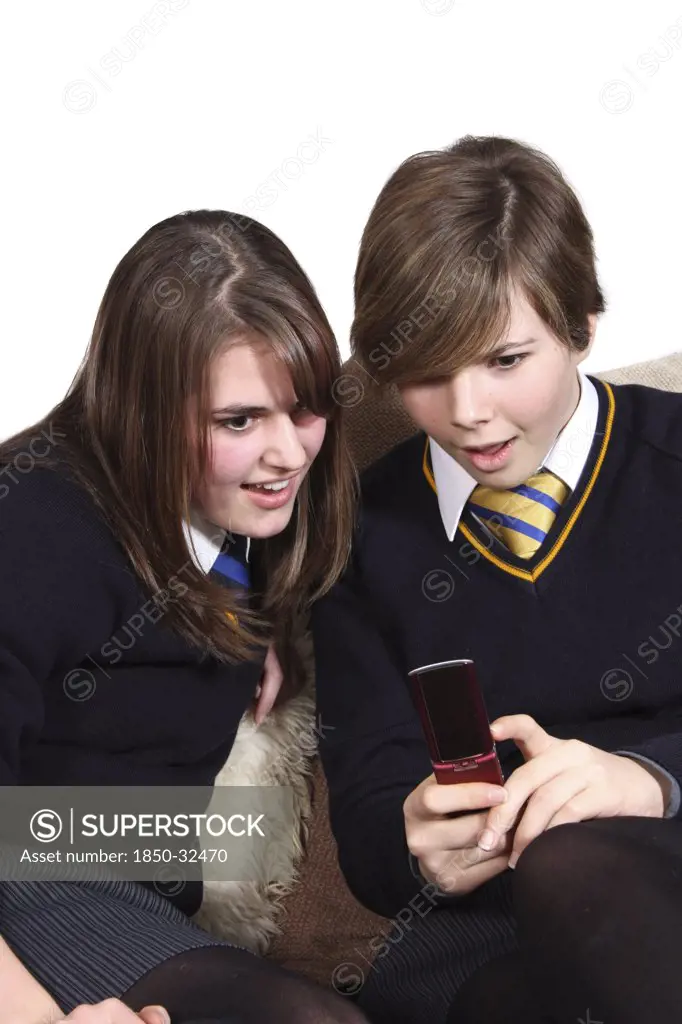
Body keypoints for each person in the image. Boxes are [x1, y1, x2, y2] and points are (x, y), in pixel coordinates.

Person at [311, 135, 682, 1024]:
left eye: (506, 361)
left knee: (573, 864)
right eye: (429, 373)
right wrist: (416, 840)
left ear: (583, 326)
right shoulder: (359, 534)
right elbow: (368, 805)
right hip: (491, 936)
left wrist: (651, 781)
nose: (468, 412)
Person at [0, 209, 367, 1023]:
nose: (289, 454)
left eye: (304, 406)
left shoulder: (257, 513)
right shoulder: (32, 531)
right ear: (144, 409)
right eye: (238, 421)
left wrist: (253, 625)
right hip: (31, 869)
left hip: (136, 877)